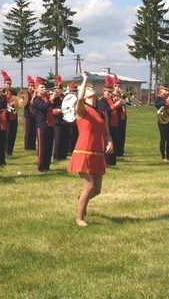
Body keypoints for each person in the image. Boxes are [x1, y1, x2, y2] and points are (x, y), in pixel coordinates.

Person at [67, 71, 114, 227]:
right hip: (83, 151)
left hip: (97, 153)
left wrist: (109, 142)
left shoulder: (102, 113)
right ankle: (79, 218)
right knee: (89, 186)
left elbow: (106, 133)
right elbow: (79, 98)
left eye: (91, 87)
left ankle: (82, 198)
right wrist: (85, 80)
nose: (90, 88)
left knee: (97, 190)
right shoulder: (81, 110)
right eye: (87, 88)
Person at [32, 77, 58, 173]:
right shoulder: (36, 99)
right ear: (37, 89)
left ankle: (46, 166)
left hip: (50, 124)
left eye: (44, 87)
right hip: (42, 125)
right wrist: (51, 99)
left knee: (49, 146)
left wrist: (56, 97)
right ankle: (40, 167)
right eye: (41, 87)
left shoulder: (46, 98)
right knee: (42, 147)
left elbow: (53, 105)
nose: (44, 89)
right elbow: (43, 107)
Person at [154, 83, 169, 162]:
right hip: (162, 120)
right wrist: (165, 103)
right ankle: (163, 157)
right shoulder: (159, 97)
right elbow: (156, 105)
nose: (167, 92)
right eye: (166, 90)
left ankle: (168, 157)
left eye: (168, 90)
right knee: (163, 138)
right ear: (161, 90)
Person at [1, 71, 18, 157]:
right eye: (7, 83)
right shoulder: (1, 93)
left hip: (13, 116)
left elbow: (18, 102)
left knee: (13, 134)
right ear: (4, 84)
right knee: (6, 135)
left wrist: (15, 104)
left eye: (10, 83)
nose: (8, 85)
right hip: (6, 116)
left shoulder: (14, 93)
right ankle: (5, 151)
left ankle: (10, 151)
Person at [112, 74, 127, 157]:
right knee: (117, 134)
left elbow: (130, 100)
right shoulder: (112, 95)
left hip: (123, 116)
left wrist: (124, 95)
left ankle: (121, 151)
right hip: (117, 116)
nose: (119, 88)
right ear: (114, 86)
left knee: (122, 134)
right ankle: (116, 151)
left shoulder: (122, 95)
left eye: (120, 86)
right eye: (117, 86)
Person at [22, 76, 37, 151]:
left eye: (32, 85)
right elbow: (29, 103)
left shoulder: (36, 93)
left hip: (34, 114)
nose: (31, 87)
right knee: (27, 131)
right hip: (27, 114)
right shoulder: (26, 93)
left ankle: (33, 146)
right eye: (30, 85)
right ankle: (27, 146)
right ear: (28, 86)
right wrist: (34, 94)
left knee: (34, 131)